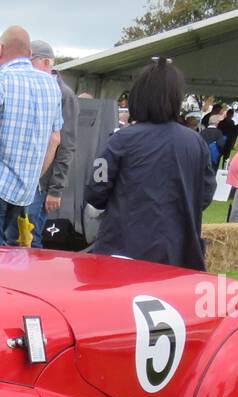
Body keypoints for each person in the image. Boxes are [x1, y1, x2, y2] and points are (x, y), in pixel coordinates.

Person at [83, 59, 214, 271]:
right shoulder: (196, 142)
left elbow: (96, 190)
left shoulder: (120, 140)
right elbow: (205, 193)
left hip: (123, 252)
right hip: (178, 254)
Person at [0, 25, 63, 247]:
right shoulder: (51, 85)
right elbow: (55, 139)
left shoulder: (1, 79)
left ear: (0, 50)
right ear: (29, 53)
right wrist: (35, 174)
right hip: (24, 188)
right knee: (4, 250)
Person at [23, 40, 77, 248]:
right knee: (22, 238)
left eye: (30, 63)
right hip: (28, 181)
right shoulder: (37, 90)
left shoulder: (64, 95)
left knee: (30, 237)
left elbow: (67, 143)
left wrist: (55, 189)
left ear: (46, 62)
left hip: (43, 184)